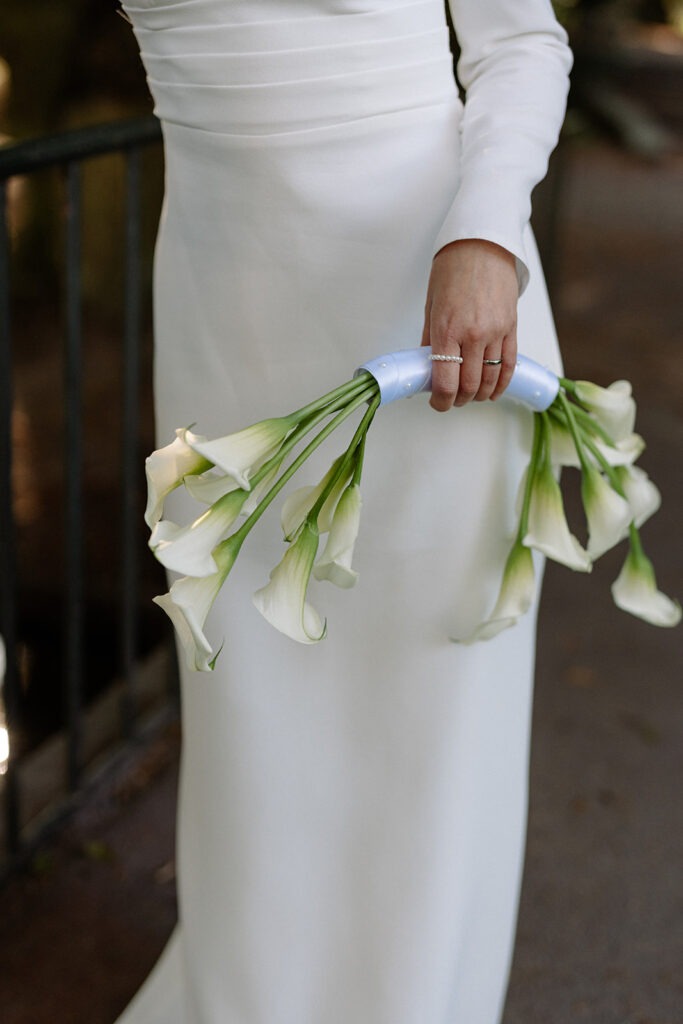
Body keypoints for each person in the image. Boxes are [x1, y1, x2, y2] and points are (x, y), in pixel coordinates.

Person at [116, 2, 572, 1022]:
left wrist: (484, 230)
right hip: (228, 323)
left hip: (442, 306)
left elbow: (521, 42)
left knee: (430, 721)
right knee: (254, 720)